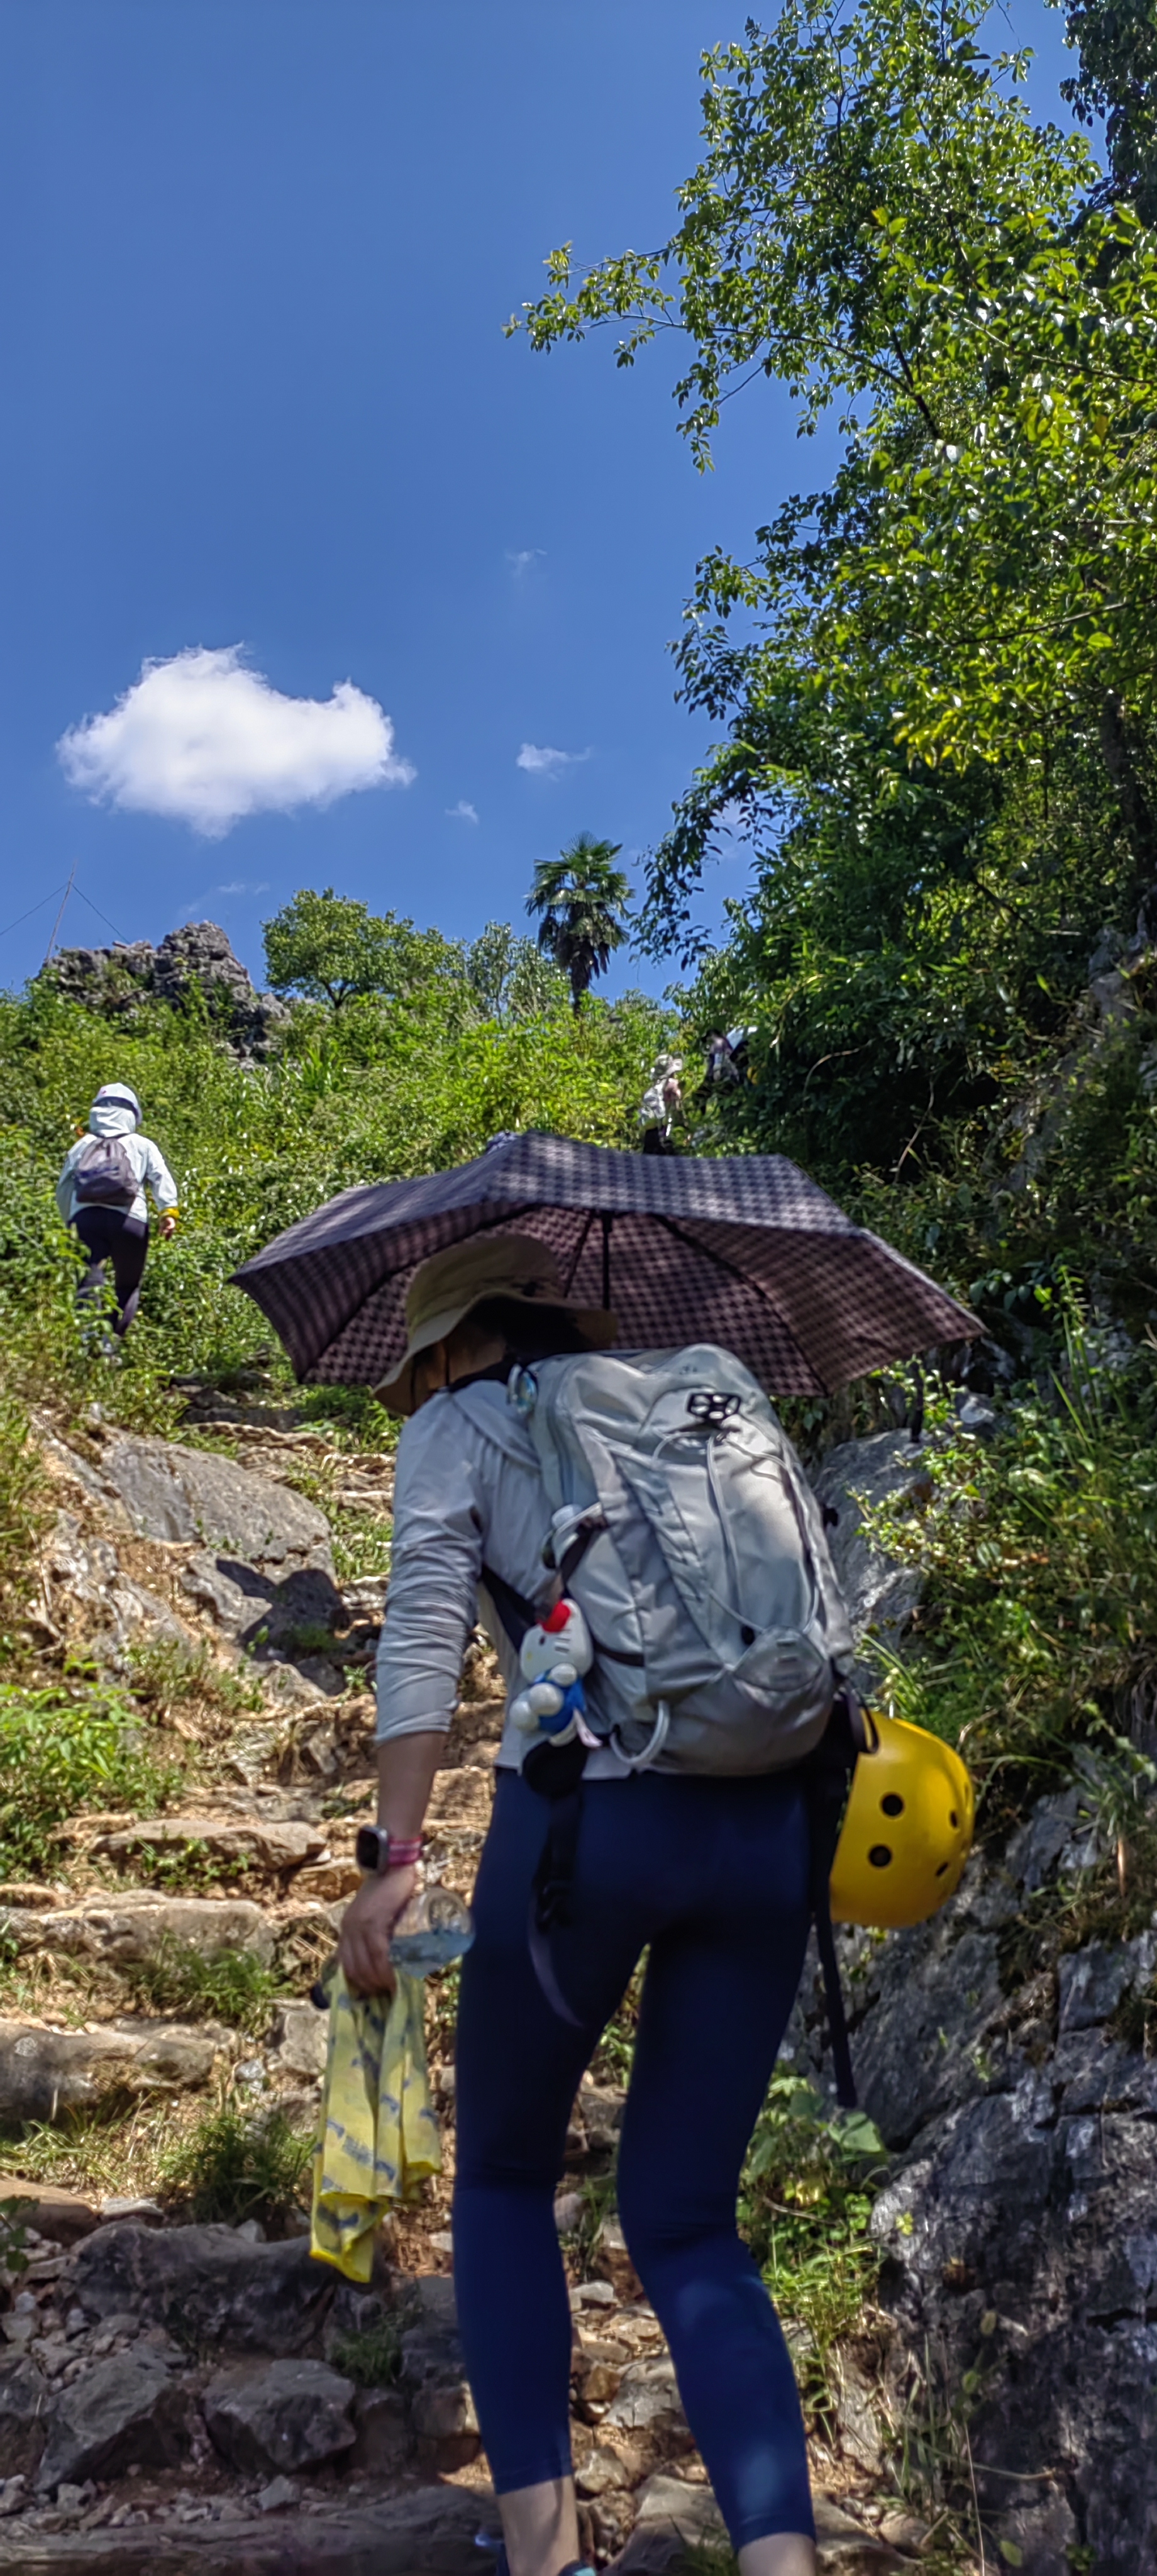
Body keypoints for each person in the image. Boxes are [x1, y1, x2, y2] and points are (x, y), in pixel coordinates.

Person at [340, 1235, 819, 2576]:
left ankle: (547, 2560)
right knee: (688, 2217)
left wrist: (394, 1854)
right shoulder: (694, 1403)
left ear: (449, 1346)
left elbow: (424, 1631)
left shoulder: (456, 1423)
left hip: (588, 1833)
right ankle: (784, 2562)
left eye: (418, 1370)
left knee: (502, 2176)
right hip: (770, 1824)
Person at [55, 1082, 179, 1340]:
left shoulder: (82, 1145)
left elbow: (64, 1187)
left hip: (86, 1220)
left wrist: (71, 1221)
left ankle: (88, 1341)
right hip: (130, 1222)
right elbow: (161, 1178)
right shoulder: (142, 1144)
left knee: (89, 1280)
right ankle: (111, 1343)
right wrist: (168, 1212)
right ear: (132, 1114)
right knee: (128, 1286)